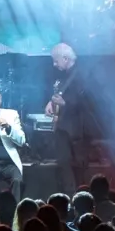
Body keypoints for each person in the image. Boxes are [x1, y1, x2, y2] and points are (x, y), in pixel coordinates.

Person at [45, 42, 87, 192]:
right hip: (64, 127)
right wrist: (52, 101)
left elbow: (87, 100)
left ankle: (76, 196)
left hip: (76, 129)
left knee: (76, 166)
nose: (54, 64)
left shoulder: (82, 74)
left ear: (65, 58)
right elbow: (62, 92)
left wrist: (65, 103)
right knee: (64, 163)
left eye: (56, 61)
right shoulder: (65, 76)